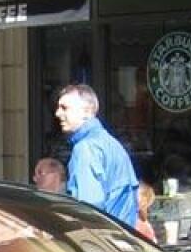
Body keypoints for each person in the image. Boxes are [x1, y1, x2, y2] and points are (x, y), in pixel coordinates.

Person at [55, 83, 138, 225]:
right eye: (58, 107)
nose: (58, 113)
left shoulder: (86, 148)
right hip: (121, 237)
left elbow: (89, 210)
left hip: (104, 240)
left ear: (87, 111)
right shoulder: (108, 143)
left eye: (64, 108)